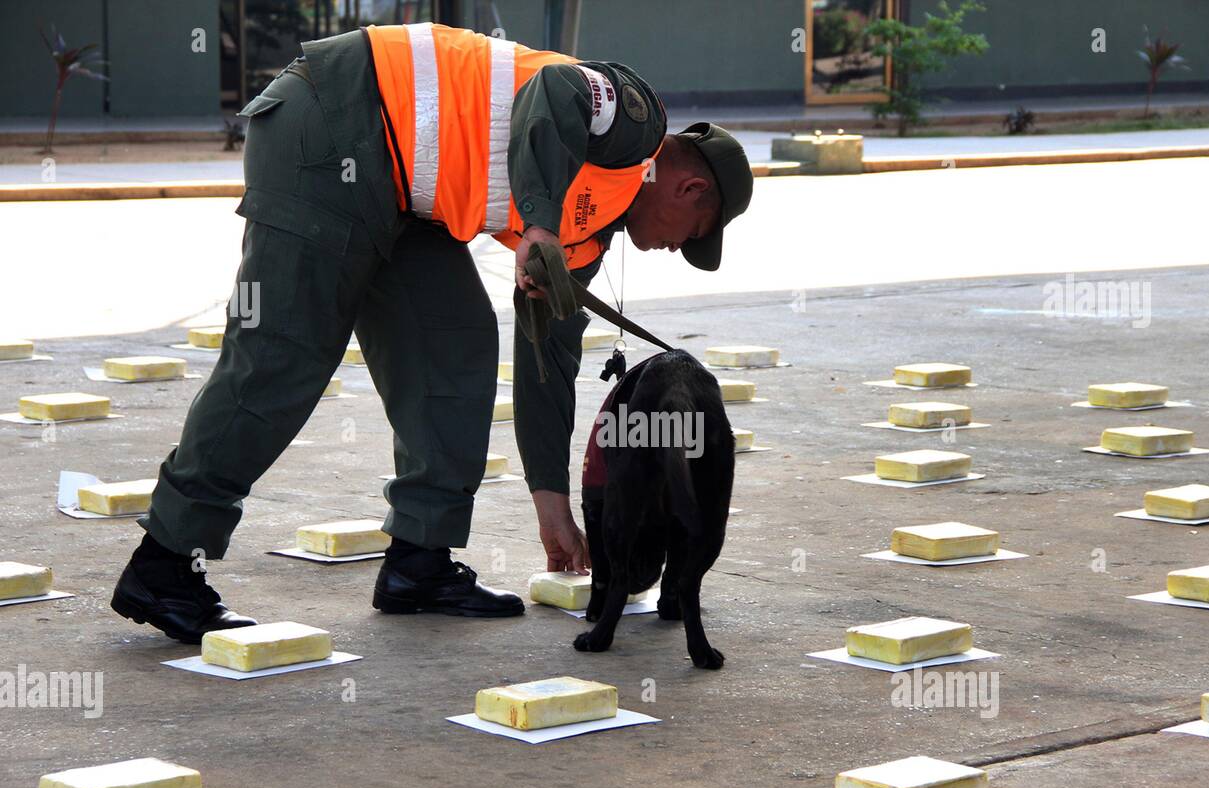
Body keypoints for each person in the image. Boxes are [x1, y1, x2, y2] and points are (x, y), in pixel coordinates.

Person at [110, 22, 753, 644]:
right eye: (693, 234)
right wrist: (538, 223)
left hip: (406, 196)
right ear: (690, 187)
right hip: (337, 118)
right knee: (282, 355)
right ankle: (165, 562)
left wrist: (550, 504)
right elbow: (554, 92)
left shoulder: (589, 236)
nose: (675, 249)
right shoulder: (637, 122)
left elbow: (546, 359)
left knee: (458, 344)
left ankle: (418, 560)